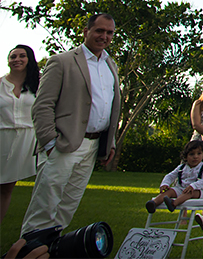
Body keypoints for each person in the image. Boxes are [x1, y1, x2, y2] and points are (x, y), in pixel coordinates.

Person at [23, 13, 121, 233]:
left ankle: (51, 248)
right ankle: (28, 250)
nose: (104, 36)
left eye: (109, 32)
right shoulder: (62, 61)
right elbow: (42, 105)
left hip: (94, 147)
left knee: (68, 206)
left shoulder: (110, 65)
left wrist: (110, 142)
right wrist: (50, 143)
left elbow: (108, 107)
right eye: (99, 31)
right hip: (64, 144)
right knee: (45, 205)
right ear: (86, 32)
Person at [1, 44, 39, 224]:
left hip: (26, 140)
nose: (16, 59)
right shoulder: (0, 84)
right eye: (12, 56)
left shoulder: (37, 85)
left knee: (6, 188)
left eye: (21, 56)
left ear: (29, 59)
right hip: (2, 136)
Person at [146, 139, 203, 213]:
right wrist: (165, 184)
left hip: (198, 191)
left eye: (199, 153)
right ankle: (154, 203)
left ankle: (174, 203)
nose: (195, 157)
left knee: (189, 193)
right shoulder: (182, 167)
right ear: (186, 157)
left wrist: (193, 186)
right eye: (192, 154)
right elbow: (170, 176)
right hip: (181, 189)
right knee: (169, 191)